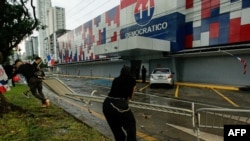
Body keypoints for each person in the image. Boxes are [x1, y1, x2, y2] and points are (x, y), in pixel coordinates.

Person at [102, 66, 137, 141]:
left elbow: (113, 91)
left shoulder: (116, 79)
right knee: (131, 124)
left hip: (107, 104)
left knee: (117, 131)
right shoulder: (132, 80)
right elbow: (131, 94)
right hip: (118, 104)